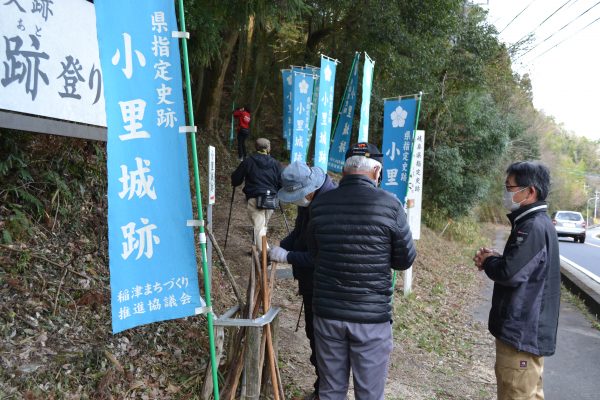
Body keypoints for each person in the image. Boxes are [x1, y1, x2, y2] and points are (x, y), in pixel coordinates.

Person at [306, 143, 416, 400]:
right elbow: (404, 260)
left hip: (328, 314)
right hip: (371, 319)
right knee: (369, 394)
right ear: (377, 171)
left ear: (345, 171)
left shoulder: (320, 205)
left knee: (330, 391)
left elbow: (314, 254)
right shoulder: (390, 205)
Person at [473, 161, 560, 400]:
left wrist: (488, 261)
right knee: (529, 393)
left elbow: (510, 273)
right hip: (529, 332)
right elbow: (522, 266)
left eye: (510, 188)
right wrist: (495, 258)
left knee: (515, 393)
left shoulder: (531, 226)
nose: (506, 193)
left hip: (521, 333)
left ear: (530, 192)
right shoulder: (539, 222)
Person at [268, 161, 337, 400]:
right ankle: (322, 389)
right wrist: (279, 247)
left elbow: (321, 257)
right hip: (311, 284)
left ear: (308, 190)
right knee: (313, 335)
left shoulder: (331, 207)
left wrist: (287, 256)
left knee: (323, 342)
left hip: (327, 287)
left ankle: (325, 392)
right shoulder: (309, 203)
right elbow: (299, 234)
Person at [231, 138, 282, 252]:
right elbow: (281, 182)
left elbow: (236, 179)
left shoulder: (248, 161)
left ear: (256, 147)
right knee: (262, 226)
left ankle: (266, 253)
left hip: (255, 197)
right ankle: (256, 249)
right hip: (271, 199)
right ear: (268, 148)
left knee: (259, 227)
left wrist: (234, 180)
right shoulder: (276, 163)